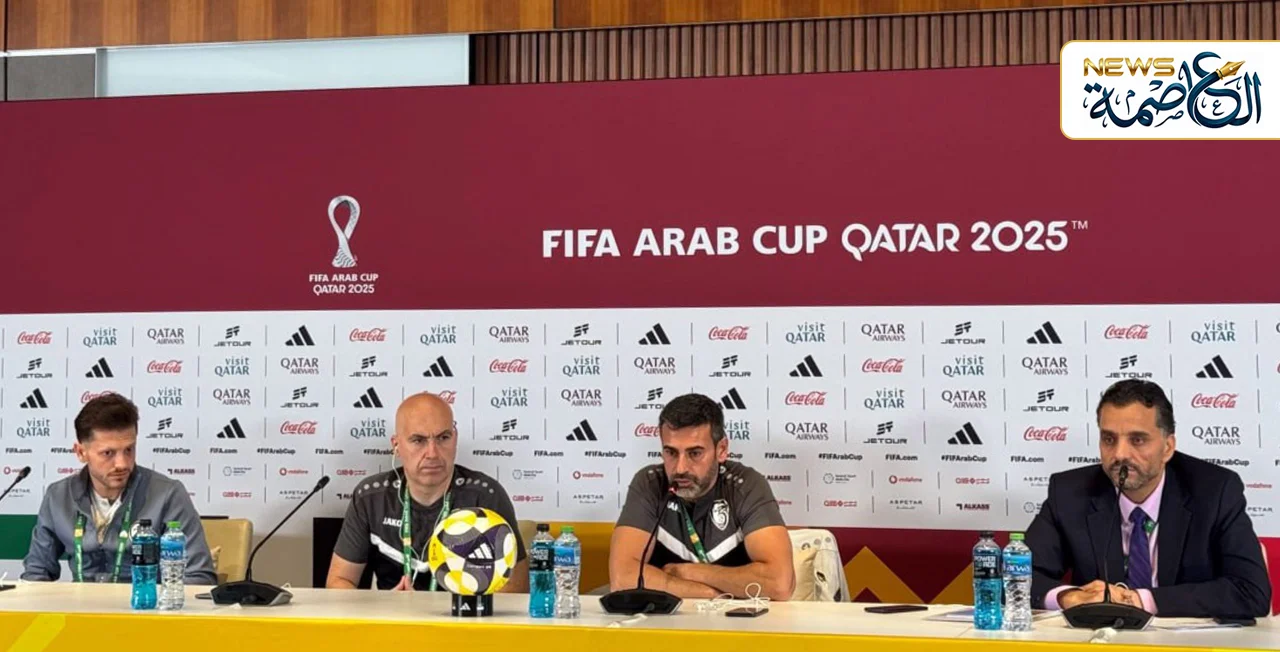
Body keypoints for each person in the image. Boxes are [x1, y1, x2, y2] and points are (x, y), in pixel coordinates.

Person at [1026, 379, 1271, 618]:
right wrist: (1069, 597)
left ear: (1167, 447)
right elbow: (1015, 575)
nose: (1120, 454)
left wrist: (1139, 601)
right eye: (1109, 439)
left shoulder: (1214, 491)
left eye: (1138, 440)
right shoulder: (1069, 493)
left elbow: (1250, 591)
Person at [327, 392, 529, 591]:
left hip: (463, 612)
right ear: (396, 446)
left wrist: (445, 607)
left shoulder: (485, 496)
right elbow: (339, 581)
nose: (432, 453)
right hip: (393, 612)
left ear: (455, 439)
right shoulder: (370, 497)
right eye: (418, 440)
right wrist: (385, 605)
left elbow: (516, 587)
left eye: (443, 438)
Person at [609, 393, 795, 600]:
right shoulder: (650, 483)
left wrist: (690, 572)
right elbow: (622, 578)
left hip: (734, 618)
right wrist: (710, 593)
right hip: (670, 617)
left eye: (695, 453)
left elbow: (780, 584)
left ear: (721, 450)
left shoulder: (747, 485)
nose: (680, 468)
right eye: (671, 453)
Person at [22, 393, 216, 584]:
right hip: (80, 604)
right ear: (81, 452)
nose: (122, 464)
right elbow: (37, 572)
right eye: (108, 453)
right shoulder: (58, 497)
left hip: (145, 602)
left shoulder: (168, 494)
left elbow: (198, 576)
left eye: (129, 450)